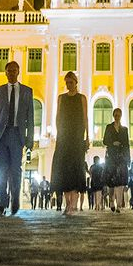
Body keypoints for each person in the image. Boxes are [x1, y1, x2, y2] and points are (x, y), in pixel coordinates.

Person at [0, 59, 34, 217]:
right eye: (9, 71)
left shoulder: (27, 91)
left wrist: (30, 139)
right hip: (1, 135)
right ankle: (2, 203)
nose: (12, 73)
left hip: (17, 134)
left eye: (14, 70)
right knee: (1, 170)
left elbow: (31, 117)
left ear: (18, 72)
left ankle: (15, 198)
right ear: (5, 73)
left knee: (15, 169)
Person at [50, 70, 89, 215]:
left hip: (77, 136)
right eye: (67, 83)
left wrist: (88, 137)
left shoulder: (81, 98)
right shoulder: (61, 98)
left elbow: (85, 118)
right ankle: (67, 204)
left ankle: (73, 204)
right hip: (64, 137)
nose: (68, 85)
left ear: (76, 83)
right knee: (64, 169)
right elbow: (57, 116)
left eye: (71, 82)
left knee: (76, 168)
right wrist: (58, 132)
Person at [102, 107, 130, 212]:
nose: (117, 116)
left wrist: (128, 158)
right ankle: (111, 201)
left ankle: (118, 205)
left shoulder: (124, 129)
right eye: (116, 115)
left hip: (121, 156)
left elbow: (127, 144)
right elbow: (104, 141)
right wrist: (112, 143)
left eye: (119, 115)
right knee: (111, 181)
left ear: (121, 116)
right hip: (111, 156)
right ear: (113, 116)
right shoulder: (109, 127)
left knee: (121, 181)